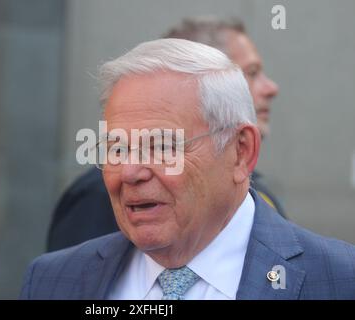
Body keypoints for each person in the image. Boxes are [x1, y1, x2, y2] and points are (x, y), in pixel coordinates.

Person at [21, 39, 355, 299]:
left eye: (162, 146)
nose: (130, 172)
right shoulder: (54, 280)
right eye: (117, 148)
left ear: (241, 152)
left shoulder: (340, 280)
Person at [47, 16, 283, 252]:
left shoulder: (259, 202)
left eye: (163, 147)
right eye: (250, 73)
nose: (271, 88)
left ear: (242, 151)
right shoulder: (99, 197)